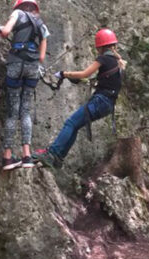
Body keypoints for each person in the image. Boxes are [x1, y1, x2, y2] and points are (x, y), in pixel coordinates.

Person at [32, 28, 125, 169]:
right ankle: (58, 157)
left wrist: (64, 73)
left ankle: (52, 154)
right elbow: (104, 80)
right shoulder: (117, 62)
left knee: (70, 123)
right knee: (75, 125)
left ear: (99, 46)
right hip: (108, 104)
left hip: (101, 101)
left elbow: (84, 74)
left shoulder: (104, 59)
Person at [0, 0, 49, 170]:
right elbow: (42, 56)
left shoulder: (17, 14)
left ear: (19, 6)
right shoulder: (40, 23)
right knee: (25, 111)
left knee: (13, 112)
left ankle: (7, 157)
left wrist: (3, 31)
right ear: (34, 8)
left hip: (15, 64)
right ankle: (27, 156)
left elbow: (5, 32)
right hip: (32, 67)